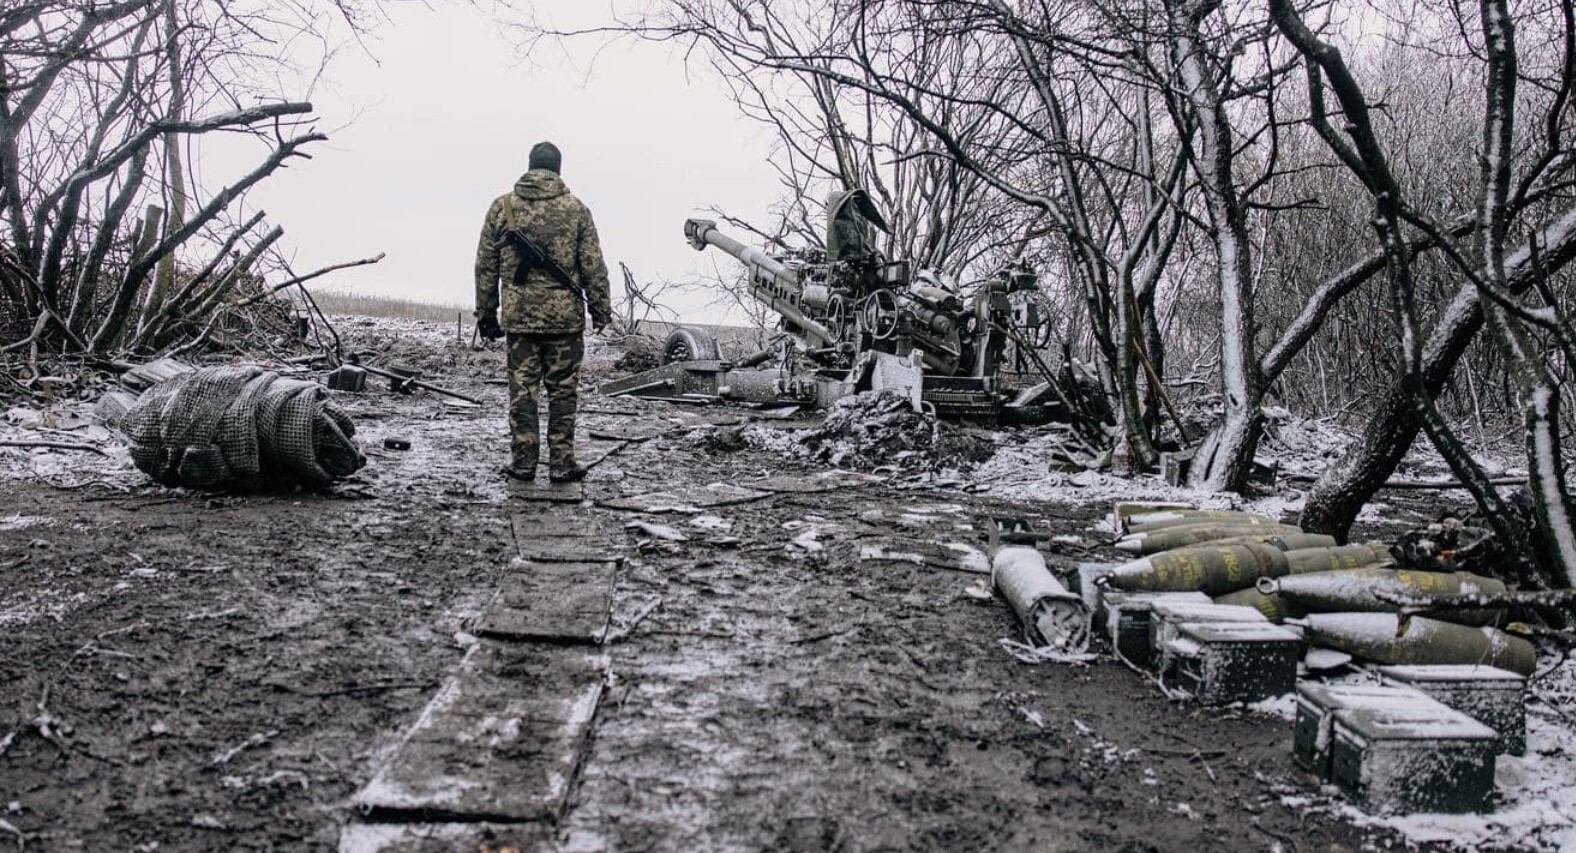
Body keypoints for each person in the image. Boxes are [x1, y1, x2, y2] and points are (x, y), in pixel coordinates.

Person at [474, 141, 612, 482]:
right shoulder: (577, 209)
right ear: (558, 169)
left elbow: (485, 267)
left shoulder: (502, 207)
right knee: (563, 393)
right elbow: (593, 265)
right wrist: (600, 309)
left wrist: (487, 315)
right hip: (565, 321)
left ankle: (523, 462)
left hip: (520, 319)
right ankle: (562, 463)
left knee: (523, 393)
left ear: (530, 165)